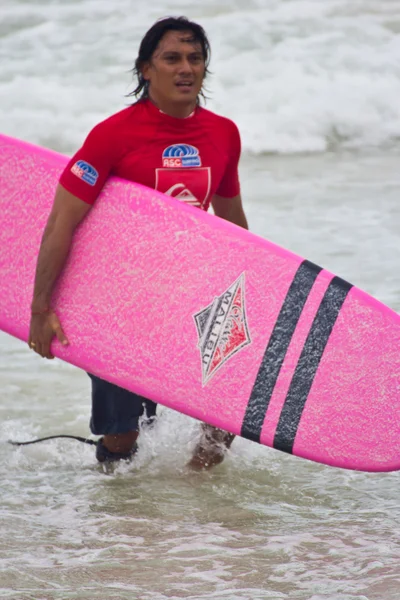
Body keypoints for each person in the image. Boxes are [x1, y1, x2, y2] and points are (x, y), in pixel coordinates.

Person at [28, 16, 249, 469]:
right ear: (146, 69)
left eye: (195, 58)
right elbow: (61, 224)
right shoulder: (113, 136)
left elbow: (232, 221)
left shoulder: (223, 134)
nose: (185, 68)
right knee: (124, 432)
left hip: (191, 289)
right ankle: (121, 514)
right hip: (120, 300)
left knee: (226, 412)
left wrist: (252, 291)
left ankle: (196, 505)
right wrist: (40, 309)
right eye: (171, 58)